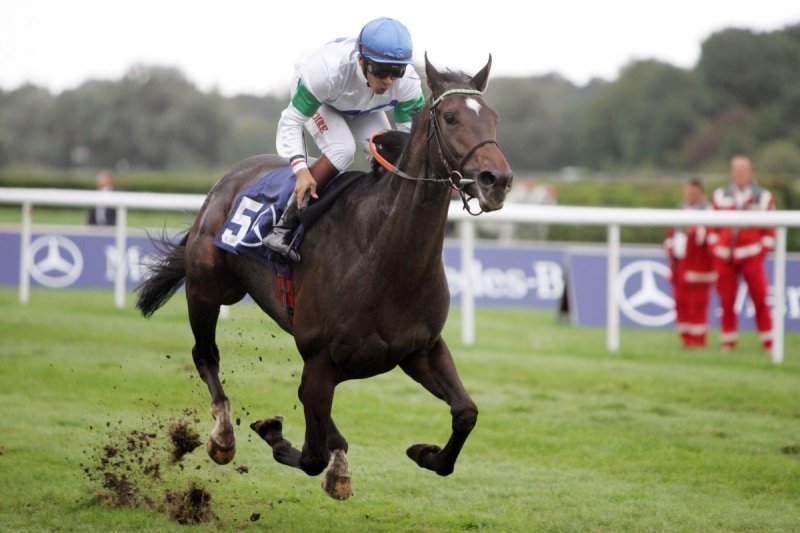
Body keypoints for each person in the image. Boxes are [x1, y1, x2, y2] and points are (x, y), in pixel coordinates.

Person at [263, 17, 425, 260]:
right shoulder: (326, 71)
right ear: (362, 61)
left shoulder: (408, 82)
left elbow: (411, 141)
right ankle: (284, 227)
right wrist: (301, 170)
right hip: (324, 100)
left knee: (391, 154)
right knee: (342, 150)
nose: (389, 81)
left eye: (397, 72)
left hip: (362, 107)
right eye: (381, 71)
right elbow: (291, 121)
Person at [708, 155, 776, 351]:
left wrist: (761, 251)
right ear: (732, 172)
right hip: (725, 257)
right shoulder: (720, 195)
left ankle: (769, 342)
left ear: (750, 171)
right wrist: (715, 247)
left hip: (751, 256)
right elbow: (710, 224)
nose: (739, 174)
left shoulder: (763, 197)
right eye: (736, 170)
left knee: (760, 298)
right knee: (726, 300)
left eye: (743, 170)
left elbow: (771, 229)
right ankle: (728, 342)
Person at [664, 176, 716, 348]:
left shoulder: (708, 212)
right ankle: (686, 340)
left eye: (694, 192)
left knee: (698, 304)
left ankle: (698, 340)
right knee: (681, 303)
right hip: (680, 265)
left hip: (699, 267)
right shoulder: (680, 210)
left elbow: (711, 237)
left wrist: (694, 232)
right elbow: (670, 235)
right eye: (688, 191)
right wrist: (671, 248)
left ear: (700, 193)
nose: (690, 195)